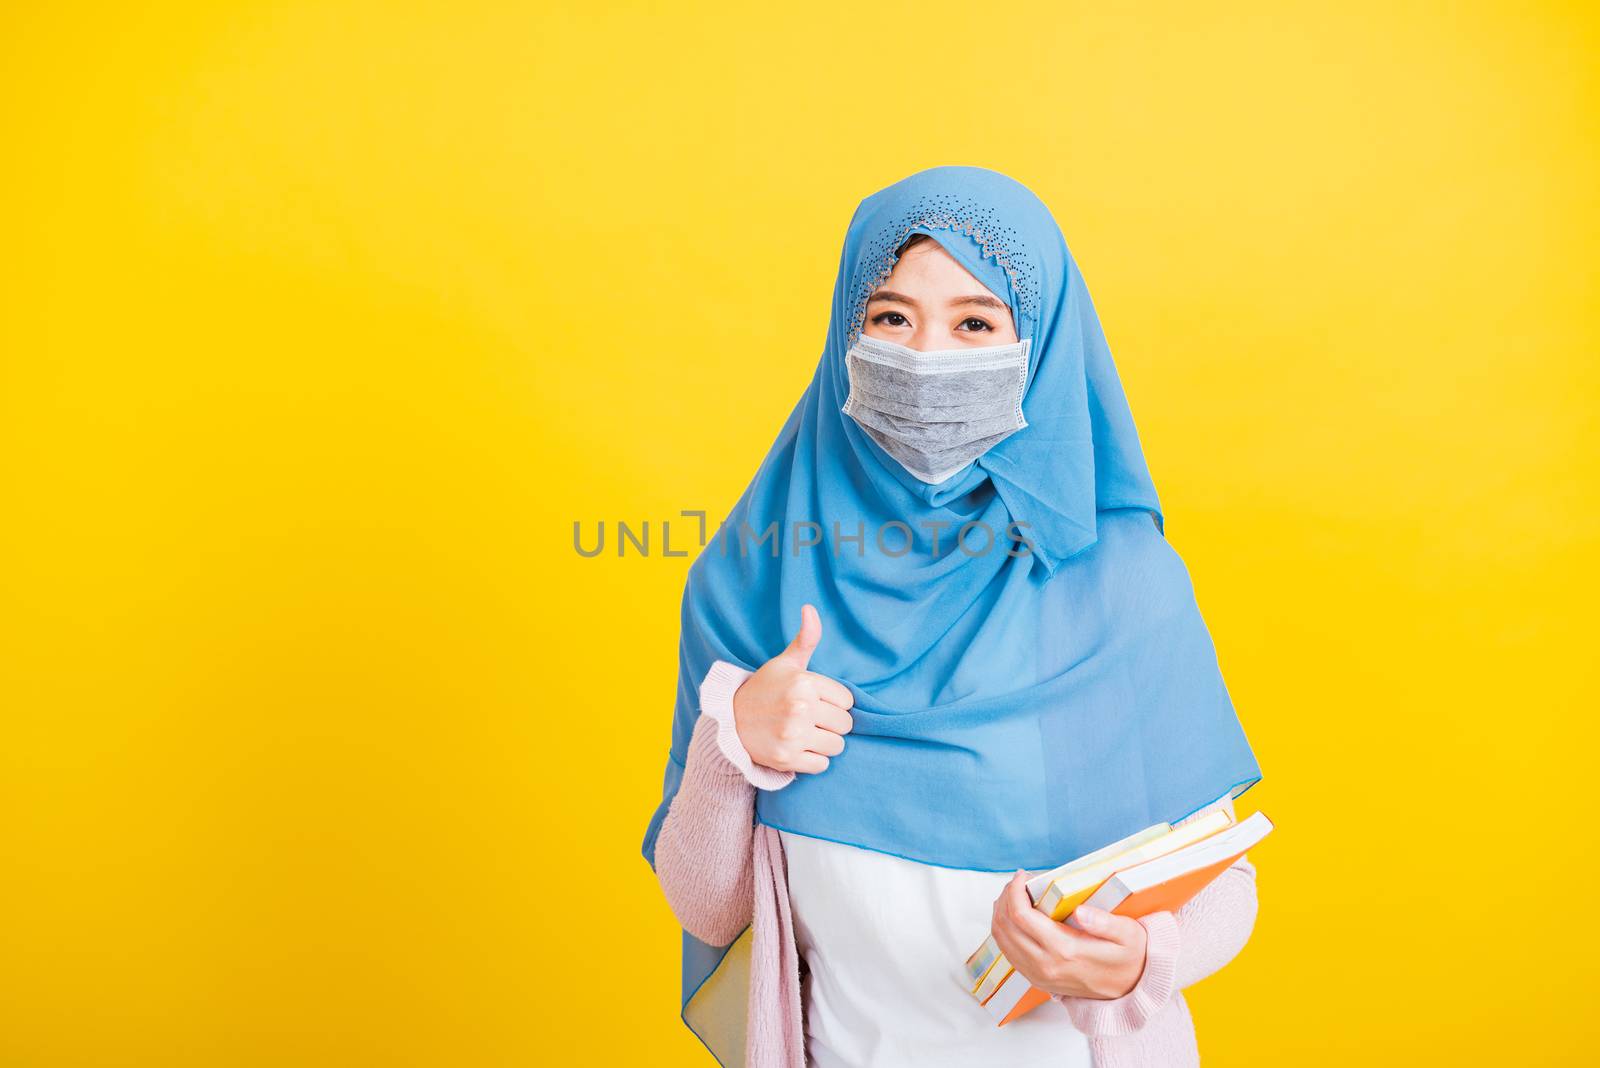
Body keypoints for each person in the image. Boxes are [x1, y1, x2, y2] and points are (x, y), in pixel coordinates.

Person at [640, 165, 1263, 1068]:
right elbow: (708, 911)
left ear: (1040, 347)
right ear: (845, 333)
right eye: (891, 317)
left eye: (976, 323)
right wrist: (728, 743)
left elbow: (1223, 883)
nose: (927, 357)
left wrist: (1139, 961)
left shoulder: (1125, 586)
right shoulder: (750, 585)